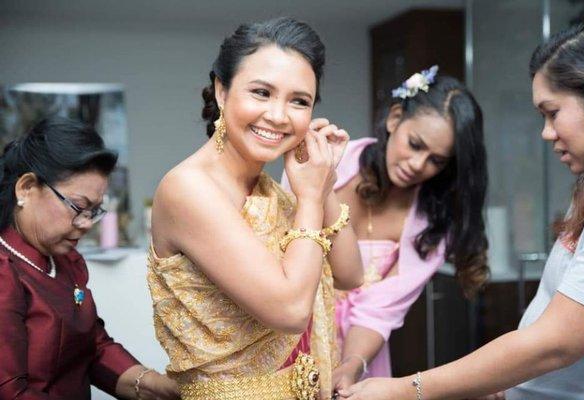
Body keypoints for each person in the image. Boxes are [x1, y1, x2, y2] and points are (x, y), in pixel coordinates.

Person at [339, 21, 584, 400]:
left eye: (552, 112)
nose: (546, 132)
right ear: (395, 120)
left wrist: (405, 388)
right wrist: (507, 381)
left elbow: (558, 342)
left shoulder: (428, 223)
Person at [147, 17, 363, 400]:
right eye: (261, 92)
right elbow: (291, 310)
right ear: (221, 91)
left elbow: (350, 274)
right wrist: (310, 199)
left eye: (299, 101)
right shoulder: (188, 188)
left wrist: (323, 179)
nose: (279, 116)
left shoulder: (275, 193)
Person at [284, 66, 489, 392]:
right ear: (395, 118)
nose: (418, 165)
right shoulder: (330, 158)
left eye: (436, 160)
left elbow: (378, 313)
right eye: (415, 144)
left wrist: (351, 365)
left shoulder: (432, 226)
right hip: (286, 336)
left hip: (360, 355)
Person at [0, 117, 179, 399]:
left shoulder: (65, 262)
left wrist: (160, 387)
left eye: (94, 211)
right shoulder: (5, 273)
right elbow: (11, 393)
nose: (85, 224)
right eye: (79, 207)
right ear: (26, 189)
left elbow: (94, 348)